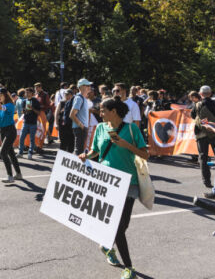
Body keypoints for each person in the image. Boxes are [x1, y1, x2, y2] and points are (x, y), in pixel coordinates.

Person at [79, 96, 148, 279]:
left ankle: (106, 245)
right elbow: (95, 151)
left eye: (102, 110)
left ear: (114, 111)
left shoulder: (132, 129)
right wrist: (85, 156)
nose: (99, 113)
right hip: (106, 182)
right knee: (117, 227)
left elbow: (145, 154)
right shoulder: (100, 128)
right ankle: (129, 268)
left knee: (123, 225)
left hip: (129, 182)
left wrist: (126, 145)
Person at [0, 87, 22, 183]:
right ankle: (19, 174)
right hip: (2, 131)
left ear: (5, 95)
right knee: (11, 153)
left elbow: (3, 108)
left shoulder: (10, 105)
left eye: (0, 95)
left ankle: (10, 176)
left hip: (10, 131)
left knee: (3, 152)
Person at [191, 85, 215, 188]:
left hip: (201, 133)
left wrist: (204, 123)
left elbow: (193, 115)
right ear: (211, 93)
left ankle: (206, 181)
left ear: (201, 94)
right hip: (214, 132)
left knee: (203, 157)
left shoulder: (197, 104)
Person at [70, 79, 92, 155]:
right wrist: (82, 126)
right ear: (81, 87)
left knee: (79, 150)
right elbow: (72, 114)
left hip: (81, 128)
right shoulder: (79, 98)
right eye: (87, 85)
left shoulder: (83, 98)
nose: (89, 87)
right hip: (80, 129)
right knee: (78, 151)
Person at [18, 87, 40, 159]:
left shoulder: (35, 101)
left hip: (33, 123)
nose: (26, 94)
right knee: (21, 138)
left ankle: (30, 153)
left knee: (32, 139)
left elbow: (38, 112)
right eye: (26, 92)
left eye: (28, 92)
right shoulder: (24, 101)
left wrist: (32, 108)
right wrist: (25, 111)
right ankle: (20, 152)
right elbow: (23, 112)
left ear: (32, 93)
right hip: (26, 122)